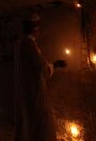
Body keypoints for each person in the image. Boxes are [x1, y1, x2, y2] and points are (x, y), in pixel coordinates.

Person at [15, 13, 66, 141]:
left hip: (25, 89)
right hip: (34, 90)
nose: (39, 31)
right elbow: (42, 69)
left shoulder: (20, 43)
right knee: (40, 121)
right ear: (34, 28)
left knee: (27, 120)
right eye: (37, 28)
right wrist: (56, 64)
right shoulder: (30, 44)